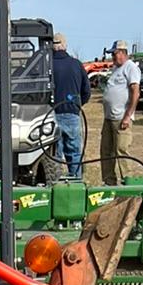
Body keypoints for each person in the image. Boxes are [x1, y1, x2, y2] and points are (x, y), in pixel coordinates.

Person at [50, 32, 90, 181]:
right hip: (72, 114)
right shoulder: (76, 64)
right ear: (65, 45)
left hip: (51, 115)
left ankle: (56, 184)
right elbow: (86, 91)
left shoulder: (47, 65)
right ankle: (77, 183)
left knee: (55, 155)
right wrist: (77, 106)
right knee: (74, 152)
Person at [100, 40, 141, 183]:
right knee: (106, 151)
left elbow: (135, 92)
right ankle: (109, 181)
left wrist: (127, 116)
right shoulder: (116, 68)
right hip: (109, 118)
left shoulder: (130, 68)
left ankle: (127, 181)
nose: (113, 57)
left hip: (121, 118)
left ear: (123, 53)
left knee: (121, 150)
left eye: (115, 54)